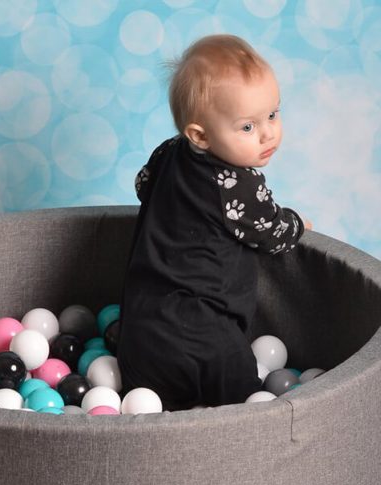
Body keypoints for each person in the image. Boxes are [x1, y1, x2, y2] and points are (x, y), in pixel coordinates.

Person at [117, 34, 311, 411]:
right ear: (200, 136)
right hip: (206, 337)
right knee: (243, 415)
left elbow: (143, 185)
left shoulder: (170, 151)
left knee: (151, 416)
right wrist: (297, 222)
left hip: (140, 327)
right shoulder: (238, 182)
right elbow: (273, 234)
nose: (268, 133)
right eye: (247, 127)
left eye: (272, 114)